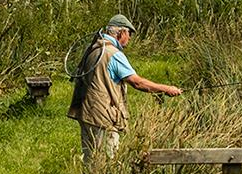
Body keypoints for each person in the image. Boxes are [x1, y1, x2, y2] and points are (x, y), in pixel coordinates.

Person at [68, 14, 182, 162]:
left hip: (86, 112)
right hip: (103, 115)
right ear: (121, 33)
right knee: (108, 161)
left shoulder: (94, 48)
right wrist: (166, 89)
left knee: (91, 159)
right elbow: (137, 83)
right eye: (129, 34)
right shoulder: (114, 54)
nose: (129, 38)